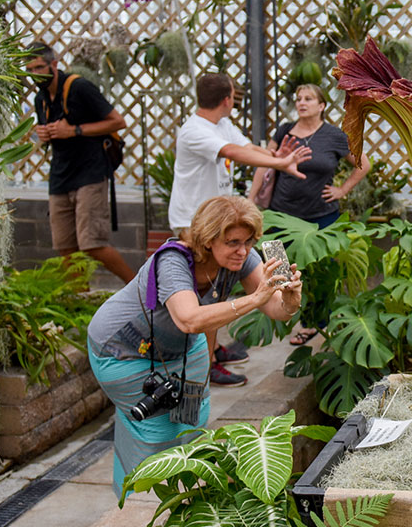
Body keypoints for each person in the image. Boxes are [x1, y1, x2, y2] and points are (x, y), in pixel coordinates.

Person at [86, 196, 301, 498]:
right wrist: (254, 299)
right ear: (208, 238)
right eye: (233, 242)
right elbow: (188, 319)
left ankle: (182, 503)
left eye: (249, 241)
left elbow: (277, 309)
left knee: (192, 423)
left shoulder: (240, 257)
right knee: (157, 434)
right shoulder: (173, 261)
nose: (243, 250)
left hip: (185, 351)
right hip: (125, 353)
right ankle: (141, 506)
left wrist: (290, 301)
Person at [169, 72, 309, 386]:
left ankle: (214, 349)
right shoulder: (195, 130)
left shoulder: (221, 125)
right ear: (228, 99)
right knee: (204, 296)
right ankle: (205, 362)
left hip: (221, 223)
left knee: (217, 289)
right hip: (194, 224)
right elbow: (232, 152)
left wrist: (276, 156)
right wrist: (280, 164)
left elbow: (246, 146)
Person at [24, 42, 134, 282]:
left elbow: (118, 122)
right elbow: (54, 132)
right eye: (29, 70)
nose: (34, 75)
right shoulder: (40, 99)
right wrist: (44, 134)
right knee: (65, 248)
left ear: (54, 64)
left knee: (92, 244)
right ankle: (78, 301)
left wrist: (74, 130)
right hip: (60, 176)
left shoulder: (79, 87)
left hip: (90, 173)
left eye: (39, 68)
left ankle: (141, 289)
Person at [253, 84, 371, 229]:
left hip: (322, 218)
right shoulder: (284, 131)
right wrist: (250, 200)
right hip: (280, 216)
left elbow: (364, 164)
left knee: (322, 252)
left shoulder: (335, 136)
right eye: (298, 99)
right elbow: (263, 164)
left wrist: (342, 190)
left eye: (308, 99)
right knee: (273, 251)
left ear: (321, 106)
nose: (301, 103)